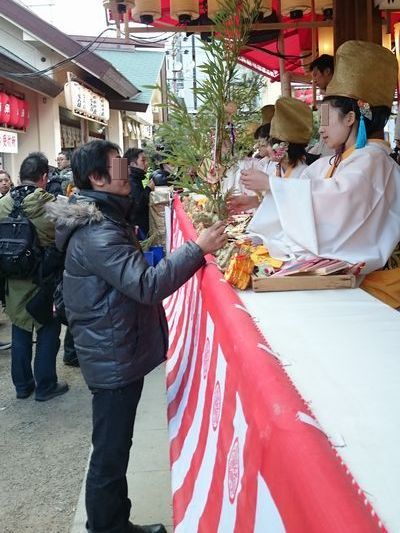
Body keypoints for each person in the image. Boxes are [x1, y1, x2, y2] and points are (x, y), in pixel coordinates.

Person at [50, 140, 227, 533]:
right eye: (117, 167)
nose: (126, 173)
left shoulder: (104, 217)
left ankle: (115, 523)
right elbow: (145, 285)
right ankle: (108, 527)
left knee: (116, 448)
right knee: (110, 453)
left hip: (111, 346)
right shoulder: (98, 231)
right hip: (110, 353)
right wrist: (197, 248)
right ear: (97, 178)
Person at [245, 41, 400, 287]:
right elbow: (308, 194)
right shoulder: (330, 162)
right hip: (335, 271)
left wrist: (273, 185)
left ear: (351, 118)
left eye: (327, 119)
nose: (322, 129)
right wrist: (271, 192)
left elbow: (337, 200)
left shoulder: (373, 160)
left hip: (366, 280)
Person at [0, 152, 68, 400]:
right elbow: (64, 236)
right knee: (48, 328)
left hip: (12, 279)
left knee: (19, 329)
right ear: (44, 177)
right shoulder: (50, 203)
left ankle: (22, 386)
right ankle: (46, 385)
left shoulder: (3, 203)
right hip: (43, 279)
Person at [229, 96, 313, 213]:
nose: (266, 149)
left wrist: (269, 184)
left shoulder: (305, 174)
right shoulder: (277, 169)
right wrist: (253, 201)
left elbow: (296, 210)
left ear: (284, 147)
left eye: (269, 144)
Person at [308, 54, 335, 158]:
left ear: (327, 71)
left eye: (315, 74)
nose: (314, 80)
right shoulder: (327, 99)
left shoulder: (334, 99)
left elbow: (324, 127)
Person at [124, 147, 154, 238]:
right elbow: (139, 204)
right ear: (132, 164)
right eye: (143, 161)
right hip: (138, 228)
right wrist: (149, 188)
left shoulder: (136, 178)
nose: (146, 164)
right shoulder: (131, 180)